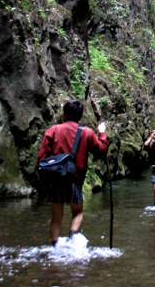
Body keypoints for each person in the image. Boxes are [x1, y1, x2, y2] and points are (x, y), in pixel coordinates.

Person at [38, 99, 109, 245]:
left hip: (56, 179)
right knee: (77, 212)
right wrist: (102, 133)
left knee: (56, 218)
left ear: (64, 115)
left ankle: (55, 246)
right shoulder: (87, 133)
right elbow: (102, 150)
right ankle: (73, 237)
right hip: (75, 179)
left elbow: (42, 158)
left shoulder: (53, 130)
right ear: (80, 116)